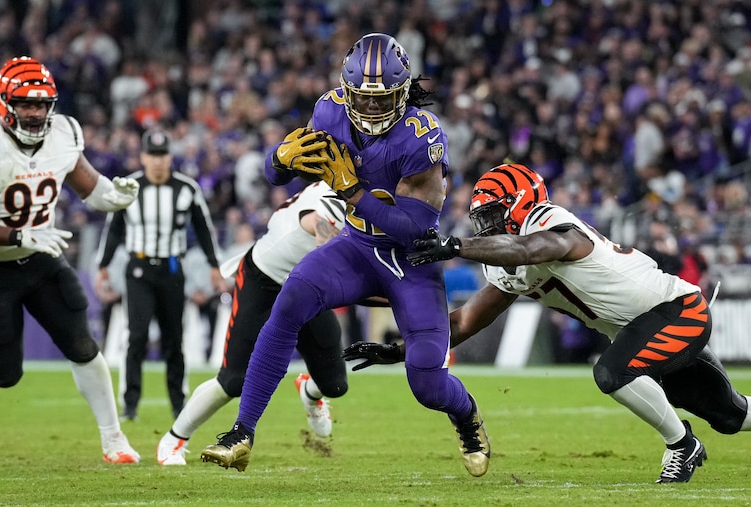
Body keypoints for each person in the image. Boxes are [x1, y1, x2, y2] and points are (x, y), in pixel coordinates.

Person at [346, 162, 751, 484]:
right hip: (642, 329)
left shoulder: (549, 224)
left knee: (613, 372)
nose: (487, 228)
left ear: (522, 204)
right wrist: (403, 348)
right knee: (730, 415)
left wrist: (456, 246)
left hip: (676, 311)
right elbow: (467, 320)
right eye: (481, 220)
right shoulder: (510, 260)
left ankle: (681, 445)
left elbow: (532, 247)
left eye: (494, 216)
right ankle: (693, 437)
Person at [201, 33, 491, 478]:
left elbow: (413, 230)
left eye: (383, 99)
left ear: (402, 92)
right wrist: (278, 159)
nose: (372, 108)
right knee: (290, 302)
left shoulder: (421, 136)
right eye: (364, 98)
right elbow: (278, 174)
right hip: (356, 246)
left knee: (427, 383)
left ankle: (466, 415)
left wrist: (352, 190)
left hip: (409, 263)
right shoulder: (330, 110)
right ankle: (242, 432)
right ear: (347, 90)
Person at [0, 56, 141, 463]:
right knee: (4, 374)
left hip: (40, 257)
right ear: (4, 103)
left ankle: (113, 439)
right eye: (25, 104)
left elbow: (89, 186)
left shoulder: (65, 132)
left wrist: (114, 197)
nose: (35, 113)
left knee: (82, 343)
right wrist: (18, 233)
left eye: (42, 104)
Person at [156, 181, 347, 465]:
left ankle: (309, 390)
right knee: (233, 381)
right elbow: (321, 225)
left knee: (335, 385)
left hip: (305, 286)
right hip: (264, 281)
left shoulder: (366, 198)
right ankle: (174, 439)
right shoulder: (331, 201)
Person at [95, 129, 228, 421]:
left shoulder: (186, 188)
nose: (157, 161)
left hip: (171, 269)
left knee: (173, 338)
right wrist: (103, 266)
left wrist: (214, 266)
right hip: (139, 269)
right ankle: (130, 404)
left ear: (170, 157)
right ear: (143, 157)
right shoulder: (129, 187)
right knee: (137, 336)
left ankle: (178, 404)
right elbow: (113, 228)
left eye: (162, 155)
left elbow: (204, 228)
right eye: (152, 155)